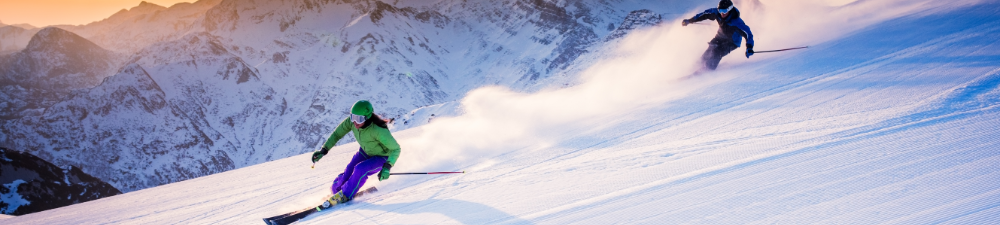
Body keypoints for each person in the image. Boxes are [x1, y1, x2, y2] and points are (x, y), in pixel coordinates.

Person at [311, 100, 401, 204]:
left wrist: (387, 166)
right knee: (349, 170)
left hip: (382, 157)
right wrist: (324, 150)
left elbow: (396, 149)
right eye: (353, 117)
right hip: (365, 152)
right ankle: (337, 191)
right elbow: (337, 134)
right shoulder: (352, 122)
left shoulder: (378, 130)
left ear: (367, 118)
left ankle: (345, 195)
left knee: (360, 169)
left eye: (359, 119)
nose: (355, 122)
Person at [682, 0, 755, 70]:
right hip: (720, 36)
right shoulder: (716, 13)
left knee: (718, 51)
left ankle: (709, 67)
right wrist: (690, 20)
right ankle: (699, 63)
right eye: (720, 11)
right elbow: (704, 15)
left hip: (732, 41)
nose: (722, 13)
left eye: (724, 11)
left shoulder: (737, 22)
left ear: (729, 10)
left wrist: (749, 47)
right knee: (711, 47)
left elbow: (748, 34)